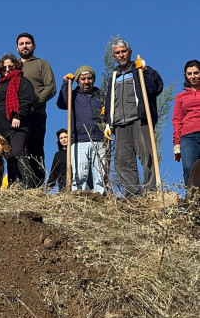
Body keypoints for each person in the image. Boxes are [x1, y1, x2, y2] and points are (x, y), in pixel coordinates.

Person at [103, 39, 163, 196]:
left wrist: (146, 70)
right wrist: (108, 123)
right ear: (114, 56)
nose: (121, 55)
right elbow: (110, 101)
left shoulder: (139, 70)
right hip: (120, 124)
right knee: (122, 161)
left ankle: (152, 192)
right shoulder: (113, 77)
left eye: (123, 51)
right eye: (117, 52)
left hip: (139, 120)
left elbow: (155, 87)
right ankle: (133, 194)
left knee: (147, 156)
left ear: (129, 52)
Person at [0, 54, 35, 188]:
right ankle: (14, 186)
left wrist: (18, 115)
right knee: (8, 157)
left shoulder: (22, 81)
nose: (7, 69)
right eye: (4, 67)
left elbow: (27, 100)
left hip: (17, 125)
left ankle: (28, 186)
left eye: (10, 66)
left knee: (18, 152)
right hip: (0, 128)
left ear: (16, 66)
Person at [56, 66, 106, 194]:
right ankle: (78, 199)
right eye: (83, 79)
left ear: (93, 80)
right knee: (79, 175)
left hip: (99, 140)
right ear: (78, 80)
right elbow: (62, 103)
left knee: (101, 175)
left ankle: (101, 199)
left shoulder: (100, 96)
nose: (86, 81)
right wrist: (66, 84)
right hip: (79, 141)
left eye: (89, 78)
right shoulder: (73, 95)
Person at [16, 33, 55, 187]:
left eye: (28, 43)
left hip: (36, 114)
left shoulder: (41, 64)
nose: (25, 46)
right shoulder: (14, 66)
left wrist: (34, 104)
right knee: (18, 150)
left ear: (34, 46)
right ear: (17, 47)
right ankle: (20, 184)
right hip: (17, 116)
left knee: (35, 148)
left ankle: (37, 185)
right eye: (21, 43)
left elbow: (50, 87)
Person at [172, 59, 200, 187]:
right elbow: (177, 120)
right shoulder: (181, 97)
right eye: (190, 74)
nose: (193, 76)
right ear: (186, 76)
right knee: (189, 167)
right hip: (188, 137)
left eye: (196, 73)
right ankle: (192, 200)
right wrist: (176, 143)